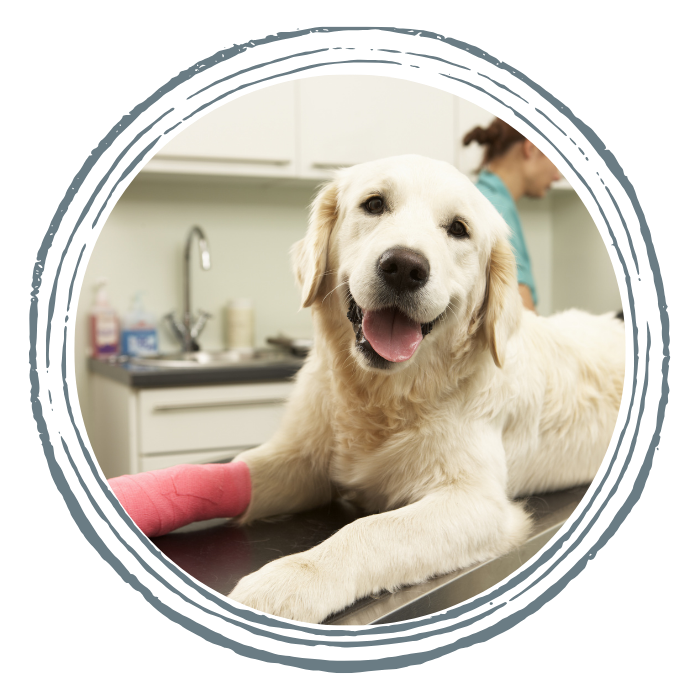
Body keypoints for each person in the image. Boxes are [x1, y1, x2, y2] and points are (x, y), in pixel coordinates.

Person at [463, 118, 563, 314]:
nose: (558, 175)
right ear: (532, 148)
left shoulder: (485, 198)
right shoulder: (496, 210)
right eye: (558, 158)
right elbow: (522, 319)